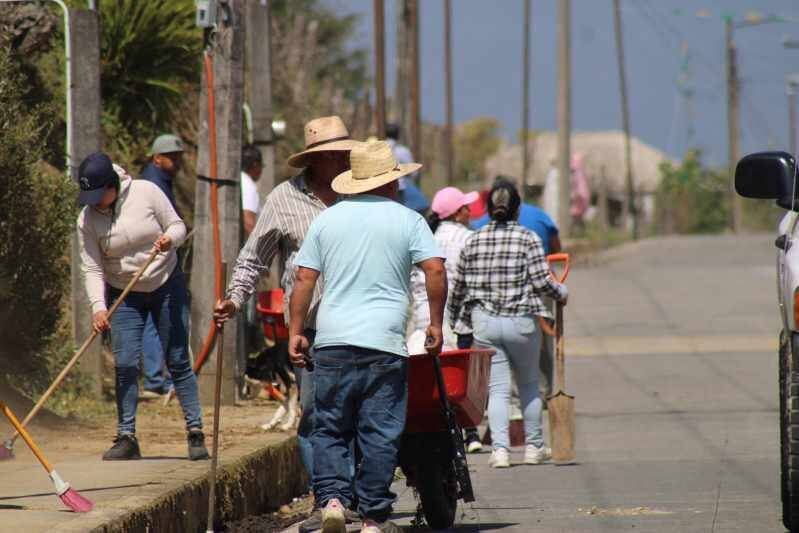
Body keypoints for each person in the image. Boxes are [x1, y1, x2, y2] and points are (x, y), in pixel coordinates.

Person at [288, 139, 446, 533]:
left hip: (332, 342)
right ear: (390, 182)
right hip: (384, 344)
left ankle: (333, 501)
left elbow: (304, 278)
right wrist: (435, 324)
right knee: (379, 432)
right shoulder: (409, 220)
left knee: (330, 426)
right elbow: (435, 270)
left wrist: (295, 332)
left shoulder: (327, 220)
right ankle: (374, 518)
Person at [211, 116, 358, 511]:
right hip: (309, 330)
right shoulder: (283, 199)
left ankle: (352, 496)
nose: (343, 161)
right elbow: (253, 258)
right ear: (316, 159)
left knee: (356, 416)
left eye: (345, 154)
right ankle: (328, 498)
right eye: (335, 155)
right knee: (316, 416)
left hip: (360, 326)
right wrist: (234, 299)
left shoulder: (361, 193)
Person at [76, 152, 208, 461]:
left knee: (177, 359)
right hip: (124, 294)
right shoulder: (86, 219)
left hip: (166, 284)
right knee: (124, 363)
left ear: (113, 185)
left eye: (99, 196)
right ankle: (126, 437)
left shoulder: (146, 192)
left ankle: (195, 431)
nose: (95, 204)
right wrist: (98, 307)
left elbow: (177, 225)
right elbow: (91, 267)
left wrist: (169, 240)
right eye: (90, 198)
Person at [449, 180, 568, 469]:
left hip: (485, 325)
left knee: (499, 389)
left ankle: (500, 451)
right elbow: (542, 282)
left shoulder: (473, 240)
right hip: (521, 323)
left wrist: (455, 321)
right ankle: (534, 447)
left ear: (489, 210)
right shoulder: (528, 238)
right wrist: (562, 293)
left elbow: (459, 288)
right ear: (517, 209)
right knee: (528, 384)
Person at [474, 176, 562, 400]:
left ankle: (511, 395)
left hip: (491, 302)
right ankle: (543, 390)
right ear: (517, 201)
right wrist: (560, 292)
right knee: (542, 344)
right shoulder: (539, 217)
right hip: (536, 292)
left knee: (499, 382)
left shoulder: (479, 226)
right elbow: (556, 247)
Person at [138, 134, 186, 398]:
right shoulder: (153, 183)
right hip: (155, 261)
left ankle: (157, 377)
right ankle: (158, 379)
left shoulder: (160, 180)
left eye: (179, 157)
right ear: (157, 158)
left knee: (154, 319)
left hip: (157, 258)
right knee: (158, 319)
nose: (177, 162)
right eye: (172, 157)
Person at [407, 186, 477, 352]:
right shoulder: (469, 239)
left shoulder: (426, 238)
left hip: (422, 322)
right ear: (457, 214)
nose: (470, 211)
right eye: (466, 207)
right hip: (453, 326)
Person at [386, 123, 428, 213]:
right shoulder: (402, 151)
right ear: (398, 135)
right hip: (399, 188)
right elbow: (414, 173)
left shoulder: (380, 148)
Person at [240, 143, 263, 238]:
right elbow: (249, 223)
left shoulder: (240, 180)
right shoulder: (249, 186)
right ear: (255, 165)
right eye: (261, 166)